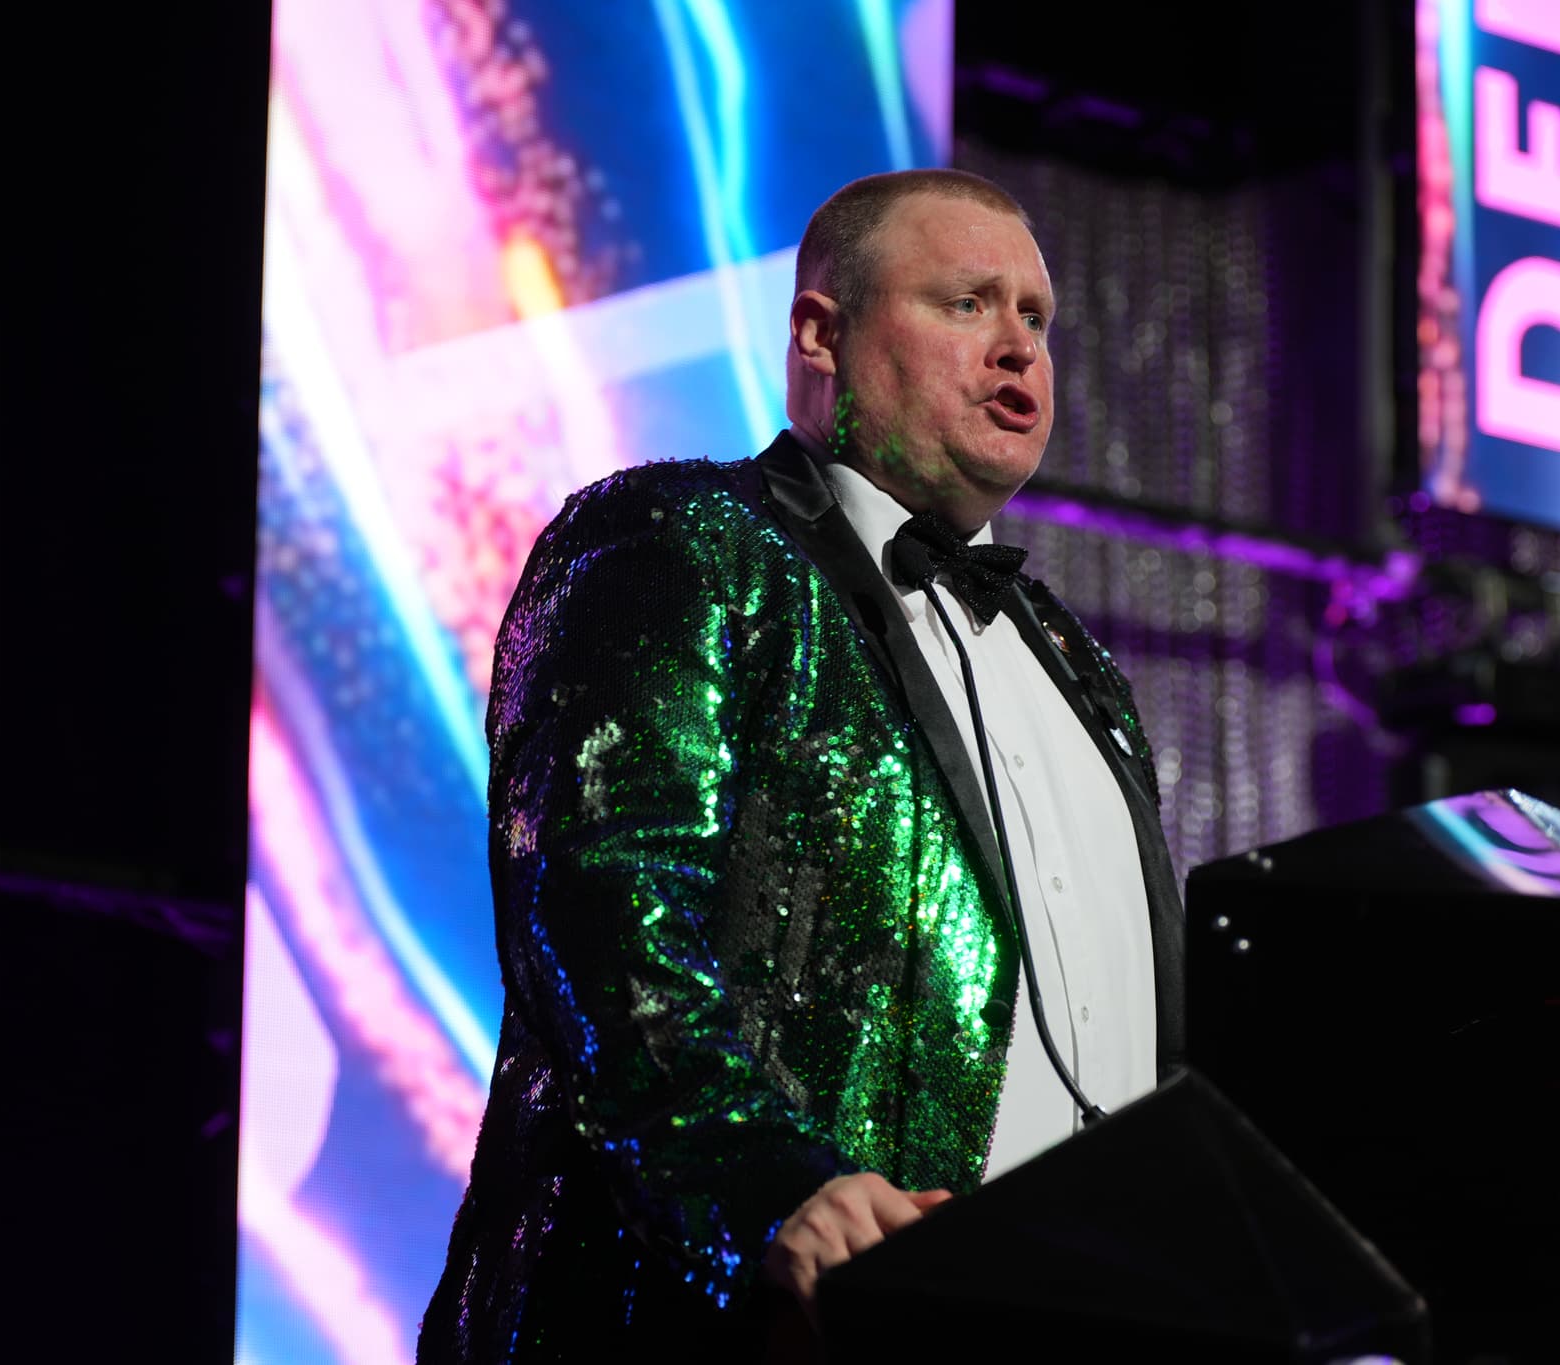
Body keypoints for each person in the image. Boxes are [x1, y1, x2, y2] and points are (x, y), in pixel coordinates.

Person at [419, 169, 1184, 1361]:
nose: (1015, 349)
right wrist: (758, 1187)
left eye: (1033, 318)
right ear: (821, 334)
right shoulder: (684, 542)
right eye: (964, 304)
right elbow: (601, 902)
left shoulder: (1083, 674)